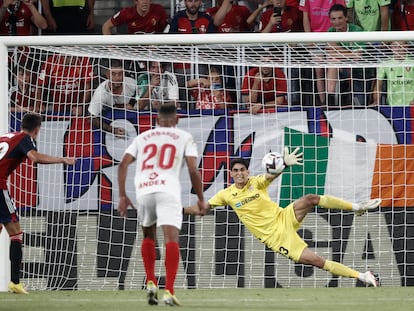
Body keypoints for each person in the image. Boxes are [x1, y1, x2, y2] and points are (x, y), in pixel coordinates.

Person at [185, 153, 381, 288]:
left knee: (311, 198)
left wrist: (284, 164)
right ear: (231, 174)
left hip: (283, 217)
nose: (239, 173)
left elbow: (271, 176)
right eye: (235, 170)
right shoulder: (226, 195)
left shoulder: (256, 183)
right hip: (276, 237)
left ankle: (357, 207)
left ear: (248, 171)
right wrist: (180, 210)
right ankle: (363, 276)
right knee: (316, 260)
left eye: (242, 170)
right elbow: (202, 209)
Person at [117, 104, 206, 306]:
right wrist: (201, 198)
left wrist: (122, 195)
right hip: (168, 190)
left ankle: (150, 280)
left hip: (144, 190)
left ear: (157, 121)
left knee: (148, 234)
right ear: (177, 120)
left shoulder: (142, 137)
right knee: (170, 239)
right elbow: (193, 169)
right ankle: (170, 291)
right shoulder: (184, 137)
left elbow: (123, 164)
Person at [0, 113, 76, 294]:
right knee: (16, 233)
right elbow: (34, 157)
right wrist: (63, 159)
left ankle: (15, 283)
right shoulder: (24, 138)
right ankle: (15, 283)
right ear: (37, 129)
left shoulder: (6, 136)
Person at [169, 0, 216, 108]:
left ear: (200, 2)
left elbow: (213, 44)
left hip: (202, 64)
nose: (193, 4)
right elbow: (171, 43)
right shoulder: (177, 18)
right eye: (190, 1)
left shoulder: (207, 19)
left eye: (196, 1)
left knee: (203, 90)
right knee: (180, 91)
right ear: (185, 2)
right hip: (181, 65)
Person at [299, 0, 345, 105]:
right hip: (315, 37)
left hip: (332, 35)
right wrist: (308, 36)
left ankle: (332, 100)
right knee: (319, 70)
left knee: (332, 67)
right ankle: (323, 102)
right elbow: (305, 16)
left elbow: (341, 11)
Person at [325, 4, 368, 106]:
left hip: (360, 70)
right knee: (332, 62)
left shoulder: (356, 30)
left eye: (340, 18)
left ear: (346, 18)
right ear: (330, 20)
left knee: (361, 105)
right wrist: (349, 54)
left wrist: (338, 50)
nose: (337, 21)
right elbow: (330, 52)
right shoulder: (330, 31)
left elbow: (358, 56)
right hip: (341, 69)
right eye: (334, 19)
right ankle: (329, 103)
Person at [88, 59, 137, 138]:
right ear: (107, 75)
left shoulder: (132, 83)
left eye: (120, 74)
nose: (117, 78)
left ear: (124, 74)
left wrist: (132, 103)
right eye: (113, 74)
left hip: (132, 125)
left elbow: (140, 93)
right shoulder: (101, 93)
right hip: (109, 127)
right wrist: (112, 130)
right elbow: (91, 117)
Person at [371, 41, 414, 106]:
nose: (398, 49)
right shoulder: (385, 64)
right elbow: (378, 84)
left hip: (411, 105)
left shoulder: (412, 62)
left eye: (401, 46)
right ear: (391, 47)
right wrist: (376, 100)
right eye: (395, 46)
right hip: (393, 106)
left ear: (406, 46)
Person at [102, 0, 168, 34]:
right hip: (133, 52)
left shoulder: (159, 10)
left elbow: (167, 30)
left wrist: (158, 46)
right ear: (136, 1)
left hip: (153, 52)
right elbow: (106, 26)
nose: (145, 2)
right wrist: (112, 48)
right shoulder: (127, 13)